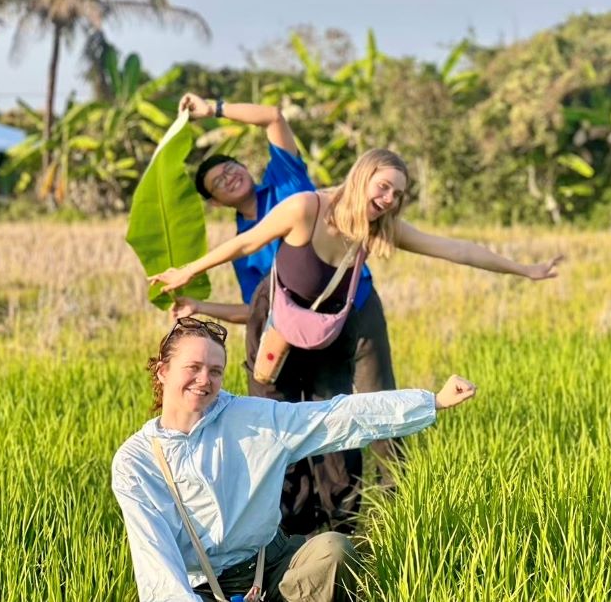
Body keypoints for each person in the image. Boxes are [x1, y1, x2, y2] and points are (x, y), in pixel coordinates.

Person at [152, 144, 562, 535]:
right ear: (362, 176)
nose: (388, 198)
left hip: (330, 327)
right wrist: (186, 272)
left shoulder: (377, 228)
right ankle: (284, 529)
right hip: (276, 323)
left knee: (336, 419)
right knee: (271, 421)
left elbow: (457, 250)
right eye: (383, 186)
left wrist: (525, 270)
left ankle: (341, 527)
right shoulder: (307, 207)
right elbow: (246, 242)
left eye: (397, 194)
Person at [111, 316, 476, 602]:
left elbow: (337, 417)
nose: (204, 380)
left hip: (271, 566)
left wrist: (432, 401)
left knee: (333, 551)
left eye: (215, 371)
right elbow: (156, 564)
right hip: (200, 587)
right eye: (193, 367)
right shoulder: (136, 463)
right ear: (163, 371)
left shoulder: (253, 419)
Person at [171, 93, 399, 534]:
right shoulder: (243, 245)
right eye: (219, 180)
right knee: (293, 420)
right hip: (287, 336)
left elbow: (273, 116)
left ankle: (383, 505)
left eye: (231, 166)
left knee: (366, 403)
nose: (229, 175)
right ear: (215, 201)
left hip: (350, 309)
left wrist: (211, 109)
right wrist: (199, 307)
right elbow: (251, 311)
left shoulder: (285, 179)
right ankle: (304, 526)